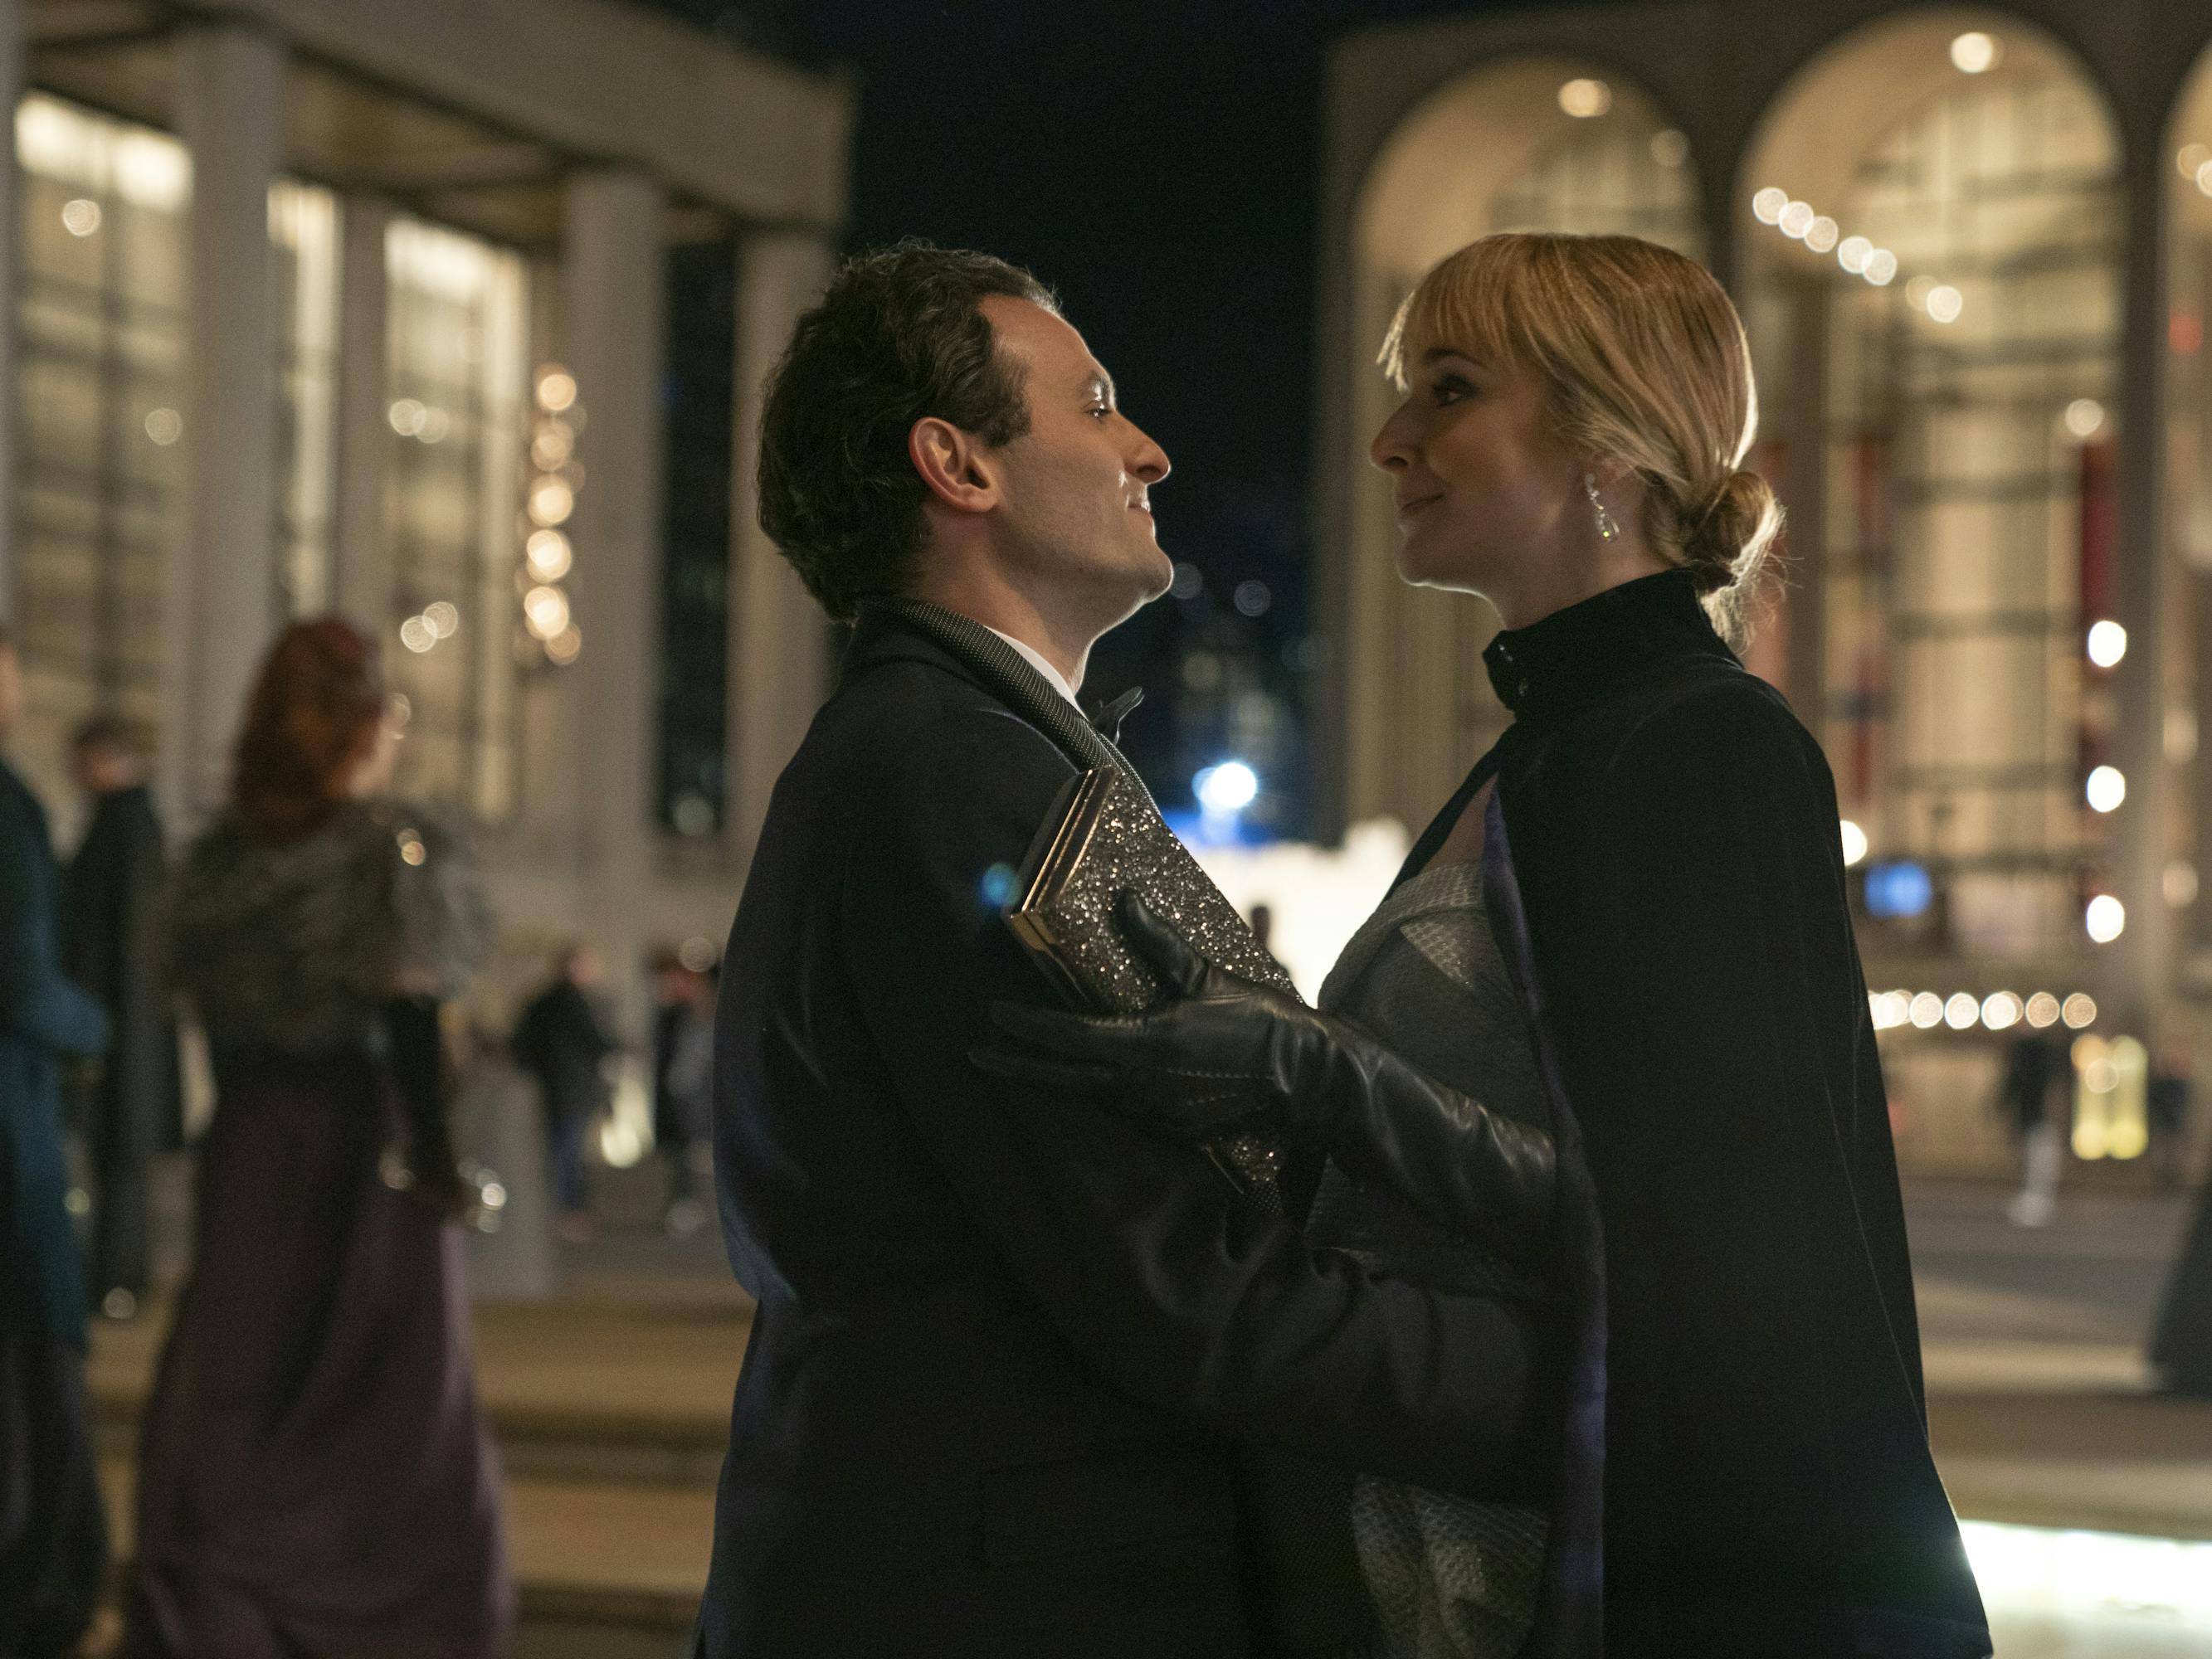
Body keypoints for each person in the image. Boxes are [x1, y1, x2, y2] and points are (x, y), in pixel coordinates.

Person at [988, 234, 1992, 1657]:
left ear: (1609, 439)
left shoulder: (1699, 744)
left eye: (1450, 390)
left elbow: (1695, 1246)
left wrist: (1319, 1075)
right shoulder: (1552, 751)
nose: (1392, 439)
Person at [697, 242, 1559, 1659]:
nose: (1146, 449)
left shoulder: (943, 754)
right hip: (1011, 1600)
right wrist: (1568, 1392)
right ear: (957, 468)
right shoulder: (955, 778)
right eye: (1093, 405)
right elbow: (1196, 1283)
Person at [124, 618, 510, 1659]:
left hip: (250, 1148)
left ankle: (220, 1602)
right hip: (358, 1155)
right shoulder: (390, 851)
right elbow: (410, 1006)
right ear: (359, 726)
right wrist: (435, 1161)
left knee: (238, 1380)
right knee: (383, 1407)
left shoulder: (216, 869)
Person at [0, 622, 112, 1658]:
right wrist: (96, 1024)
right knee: (35, 1361)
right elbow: (27, 983)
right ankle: (44, 1586)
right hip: (9, 1135)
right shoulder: (10, 809)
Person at [64, 713, 181, 1321]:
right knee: (118, 1160)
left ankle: (118, 1278)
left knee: (121, 1161)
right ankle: (115, 1276)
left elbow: (121, 944)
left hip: (120, 1022)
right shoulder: (131, 826)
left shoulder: (126, 828)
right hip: (125, 1021)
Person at [511, 946, 617, 1243]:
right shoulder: (575, 1002)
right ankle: (567, 1213)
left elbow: (520, 1043)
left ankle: (555, 1211)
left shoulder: (541, 1002)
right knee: (568, 1153)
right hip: (573, 1091)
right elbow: (594, 1041)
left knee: (557, 1150)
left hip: (551, 1088)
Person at [650, 950, 715, 1235]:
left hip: (685, 1098)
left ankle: (685, 1206)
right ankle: (681, 1205)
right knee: (680, 1155)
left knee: (685, 1155)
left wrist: (677, 1083)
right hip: (679, 1096)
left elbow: (691, 1056)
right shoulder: (674, 1012)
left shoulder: (689, 1013)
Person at [1998, 1027, 2066, 1227]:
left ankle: (2036, 1201)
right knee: (2038, 1159)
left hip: (2035, 1117)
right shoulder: (2046, 1055)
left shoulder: (2028, 1055)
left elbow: (2014, 1083)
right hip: (2037, 1117)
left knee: (2037, 1159)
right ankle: (2036, 1200)